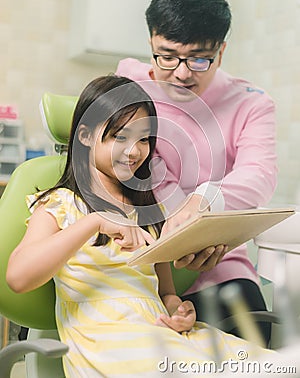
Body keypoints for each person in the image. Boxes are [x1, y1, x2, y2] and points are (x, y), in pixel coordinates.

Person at [6, 75, 276, 377]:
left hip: (162, 333)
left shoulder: (148, 212)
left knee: (273, 365)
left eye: (144, 139)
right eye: (120, 136)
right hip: (112, 343)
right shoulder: (61, 205)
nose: (134, 151)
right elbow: (18, 278)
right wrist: (94, 222)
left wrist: (178, 311)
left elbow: (166, 294)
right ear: (84, 136)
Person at [116, 0, 277, 345]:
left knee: (250, 345)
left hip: (217, 262)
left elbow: (259, 175)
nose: (182, 73)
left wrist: (202, 202)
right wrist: (174, 209)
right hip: (139, 261)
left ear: (221, 52)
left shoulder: (251, 103)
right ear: (151, 43)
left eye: (198, 59)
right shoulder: (130, 80)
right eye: (167, 55)